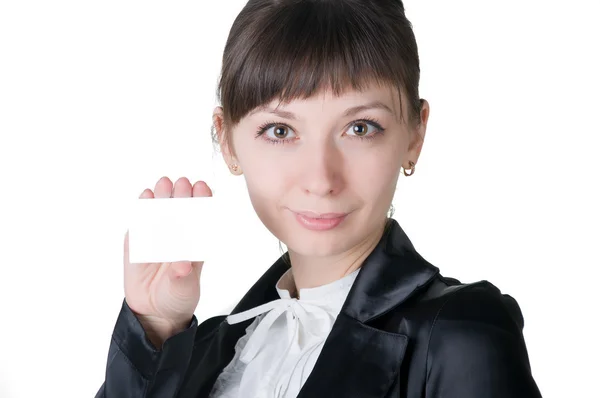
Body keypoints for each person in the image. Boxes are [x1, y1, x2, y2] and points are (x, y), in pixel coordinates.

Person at [95, 0, 542, 397]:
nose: (321, 179)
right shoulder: (205, 351)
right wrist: (153, 329)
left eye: (360, 127)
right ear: (227, 141)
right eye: (280, 131)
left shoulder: (460, 335)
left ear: (415, 135)